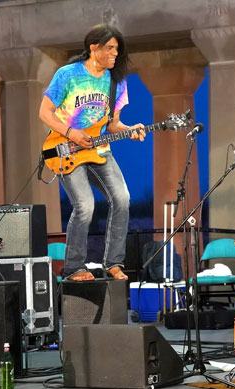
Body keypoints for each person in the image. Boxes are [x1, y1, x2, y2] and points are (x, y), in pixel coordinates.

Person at [39, 24, 146, 282]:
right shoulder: (68, 74)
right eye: (110, 48)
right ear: (93, 48)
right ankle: (74, 267)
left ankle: (113, 263)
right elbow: (44, 113)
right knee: (85, 206)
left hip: (99, 150)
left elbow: (112, 123)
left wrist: (129, 129)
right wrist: (72, 133)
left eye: (117, 49)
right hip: (66, 149)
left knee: (122, 198)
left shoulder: (116, 81)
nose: (115, 54)